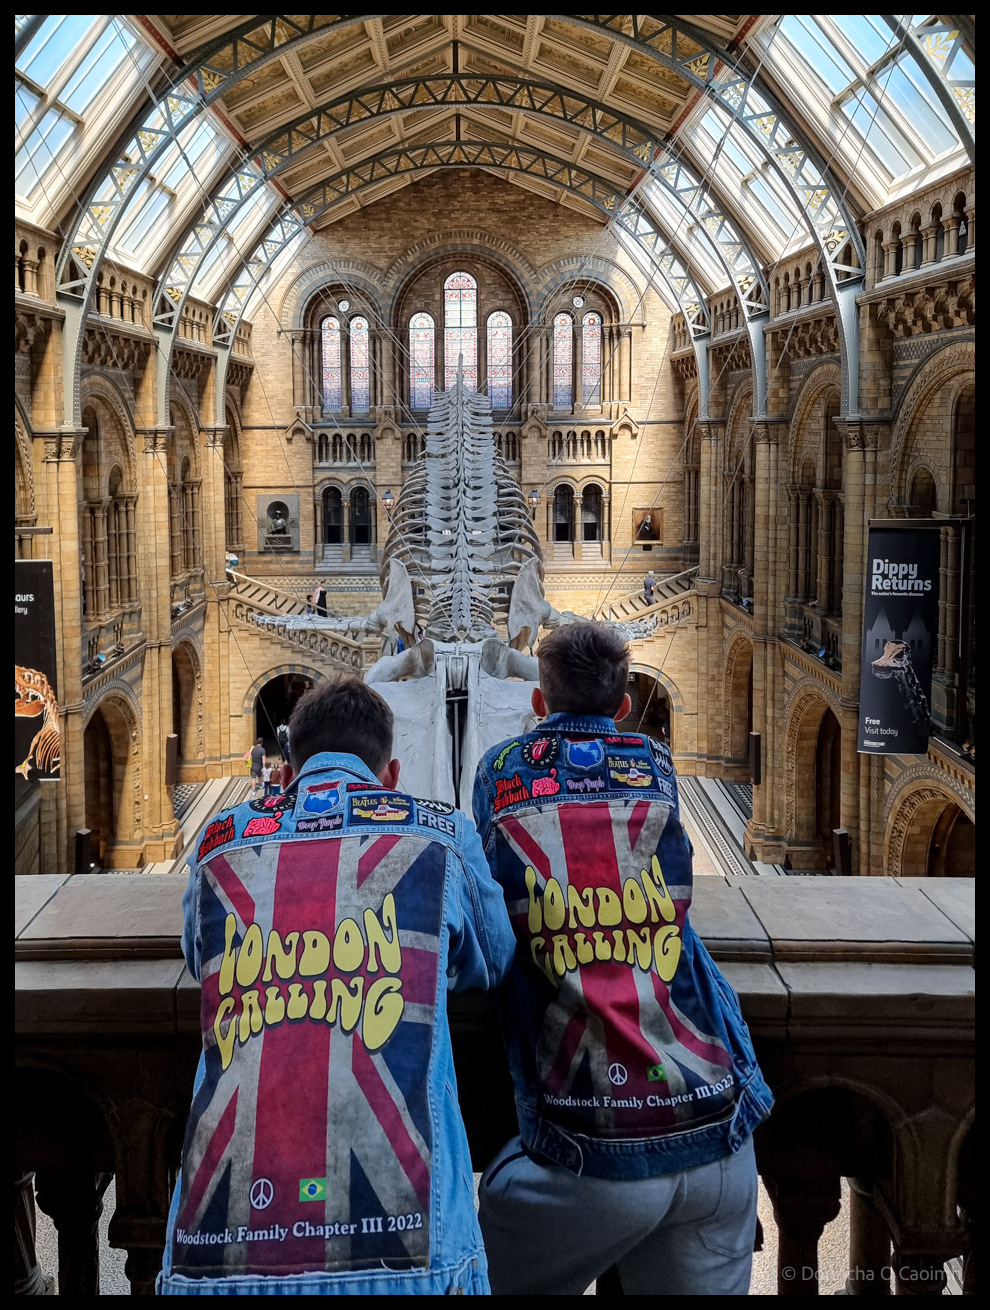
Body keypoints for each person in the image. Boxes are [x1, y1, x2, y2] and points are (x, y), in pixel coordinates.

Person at [158, 675, 516, 1295]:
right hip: (411, 1266)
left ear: (287, 762)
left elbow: (199, 952)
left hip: (217, 1265)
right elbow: (494, 955)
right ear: (392, 771)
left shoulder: (219, 843)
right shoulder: (440, 833)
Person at [472, 622, 773, 1297]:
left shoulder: (499, 772)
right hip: (719, 1132)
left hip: (592, 1153)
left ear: (539, 705)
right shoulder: (656, 768)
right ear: (624, 707)